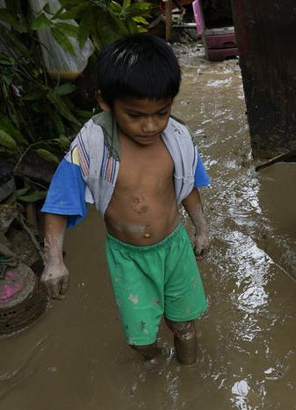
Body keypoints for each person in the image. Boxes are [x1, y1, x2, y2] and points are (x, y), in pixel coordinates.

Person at [39, 33, 211, 365]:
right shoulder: (93, 144)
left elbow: (188, 186)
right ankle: (156, 366)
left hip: (174, 248)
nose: (150, 126)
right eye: (135, 115)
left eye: (161, 112)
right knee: (140, 340)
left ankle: (189, 377)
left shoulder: (177, 138)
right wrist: (53, 260)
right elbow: (60, 201)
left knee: (184, 326)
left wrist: (202, 229)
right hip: (128, 258)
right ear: (105, 102)